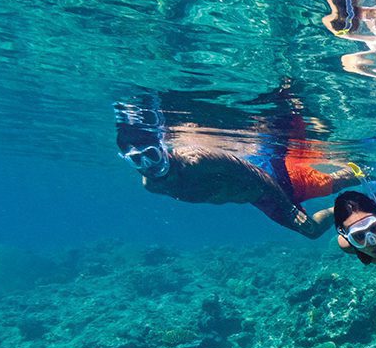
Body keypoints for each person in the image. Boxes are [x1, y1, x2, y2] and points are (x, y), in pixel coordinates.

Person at [116, 92, 362, 239]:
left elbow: (255, 174)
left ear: (163, 149)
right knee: (311, 231)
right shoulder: (151, 185)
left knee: (339, 182)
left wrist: (287, 209)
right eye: (137, 159)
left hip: (275, 183)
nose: (148, 165)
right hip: (258, 198)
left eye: (152, 154)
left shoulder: (196, 160)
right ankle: (348, 202)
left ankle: (364, 175)